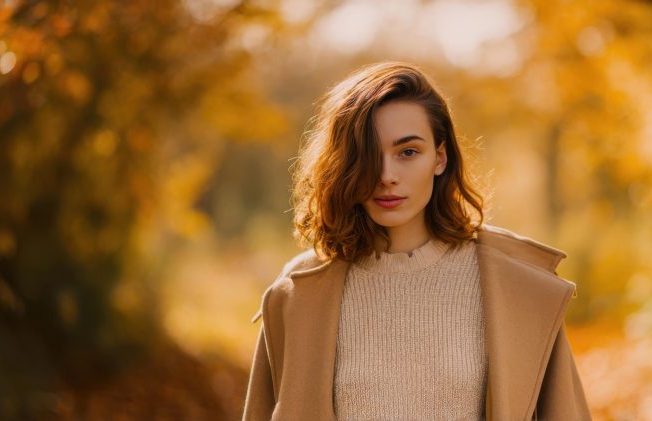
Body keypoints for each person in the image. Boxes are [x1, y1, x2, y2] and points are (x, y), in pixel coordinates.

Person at [242, 61, 592, 421]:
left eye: (407, 152)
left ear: (440, 157)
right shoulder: (297, 296)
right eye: (367, 155)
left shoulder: (519, 286)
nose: (386, 176)